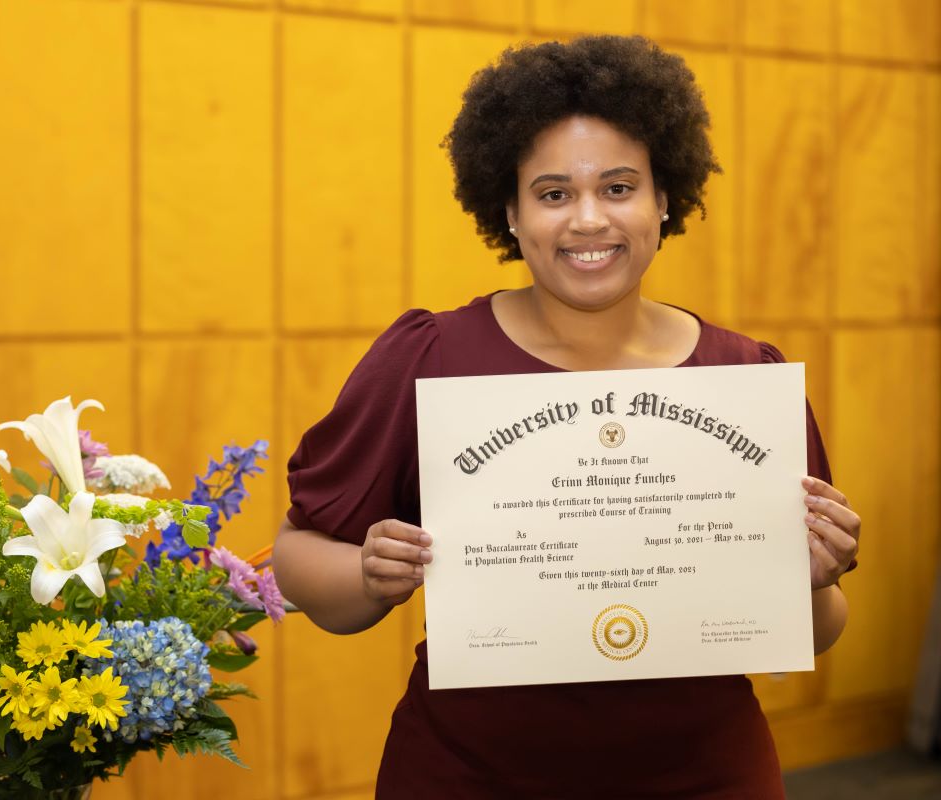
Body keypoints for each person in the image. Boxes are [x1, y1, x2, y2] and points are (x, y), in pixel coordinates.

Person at [272, 35, 861, 799]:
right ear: (510, 212)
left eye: (619, 187)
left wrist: (810, 580)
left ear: (665, 200)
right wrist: (367, 573)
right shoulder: (429, 357)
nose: (588, 219)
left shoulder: (744, 377)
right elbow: (296, 552)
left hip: (706, 773)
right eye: (553, 194)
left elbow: (816, 630)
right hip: (468, 775)